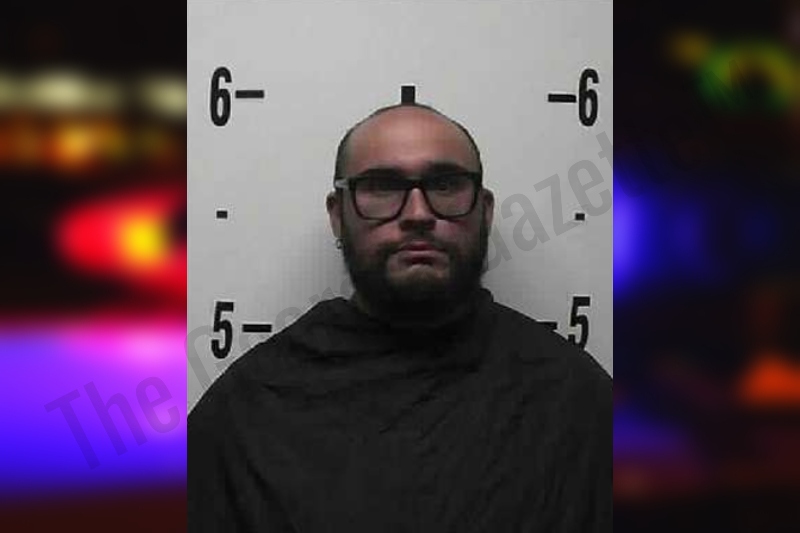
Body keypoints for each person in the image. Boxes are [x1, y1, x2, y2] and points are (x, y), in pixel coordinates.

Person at [188, 103, 611, 532]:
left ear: (484, 210)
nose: (418, 214)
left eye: (445, 184)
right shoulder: (249, 409)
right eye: (382, 186)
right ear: (338, 215)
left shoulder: (575, 401)